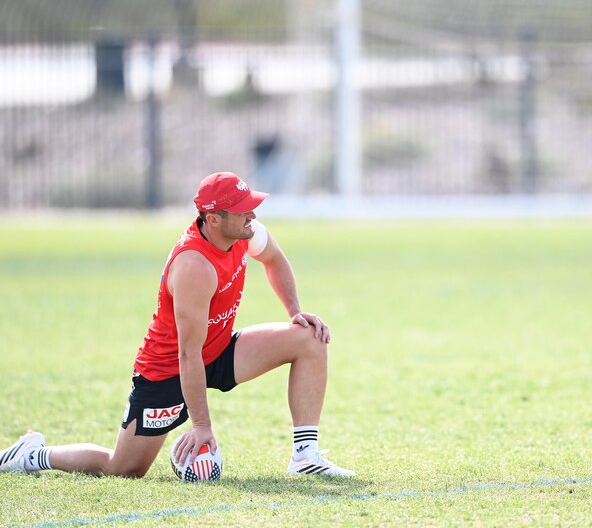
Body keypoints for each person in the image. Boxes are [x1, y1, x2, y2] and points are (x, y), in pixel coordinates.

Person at [0, 172, 355, 478]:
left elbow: (274, 259)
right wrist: (202, 426)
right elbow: (187, 354)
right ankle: (34, 454)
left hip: (217, 349)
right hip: (168, 370)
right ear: (213, 218)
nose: (253, 213)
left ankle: (306, 457)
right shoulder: (194, 266)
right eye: (242, 208)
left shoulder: (245, 232)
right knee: (123, 468)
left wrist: (295, 310)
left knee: (309, 338)